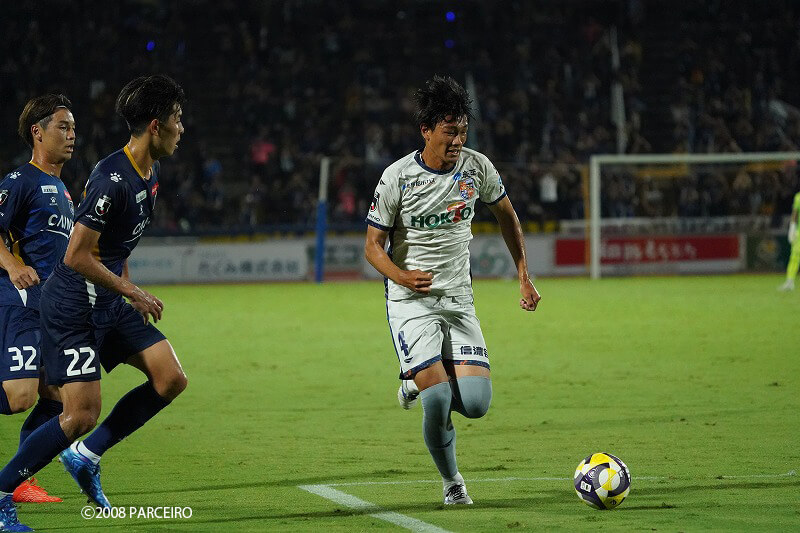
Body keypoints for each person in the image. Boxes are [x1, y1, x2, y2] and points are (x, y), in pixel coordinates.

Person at [0, 75, 187, 532]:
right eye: (178, 119)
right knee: (68, 408)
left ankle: (83, 457)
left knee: (170, 378)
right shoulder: (108, 178)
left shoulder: (145, 177)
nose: (183, 128)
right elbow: (76, 256)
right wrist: (132, 291)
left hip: (105, 299)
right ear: (156, 125)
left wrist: (126, 288)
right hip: (69, 304)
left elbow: (112, 248)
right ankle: (4, 491)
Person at [364, 75, 541, 505]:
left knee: (477, 404)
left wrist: (523, 273)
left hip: (459, 300)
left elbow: (507, 216)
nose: (458, 141)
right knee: (439, 398)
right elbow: (372, 246)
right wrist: (401, 276)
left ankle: (417, 378)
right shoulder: (397, 177)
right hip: (411, 302)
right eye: (450, 131)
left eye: (463, 131)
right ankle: (452, 482)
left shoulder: (477, 168)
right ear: (426, 130)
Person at [0, 95, 76, 507]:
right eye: (63, 127)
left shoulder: (65, 191)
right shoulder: (21, 180)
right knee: (20, 397)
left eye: (73, 128)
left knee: (59, 397)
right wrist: (13, 265)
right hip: (20, 301)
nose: (71, 135)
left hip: (50, 309)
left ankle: (19, 479)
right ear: (37, 132)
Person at [779, 190, 800, 291]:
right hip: (799, 233)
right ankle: (790, 281)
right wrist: (792, 228)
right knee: (795, 256)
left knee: (794, 257)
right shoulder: (798, 197)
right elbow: (795, 213)